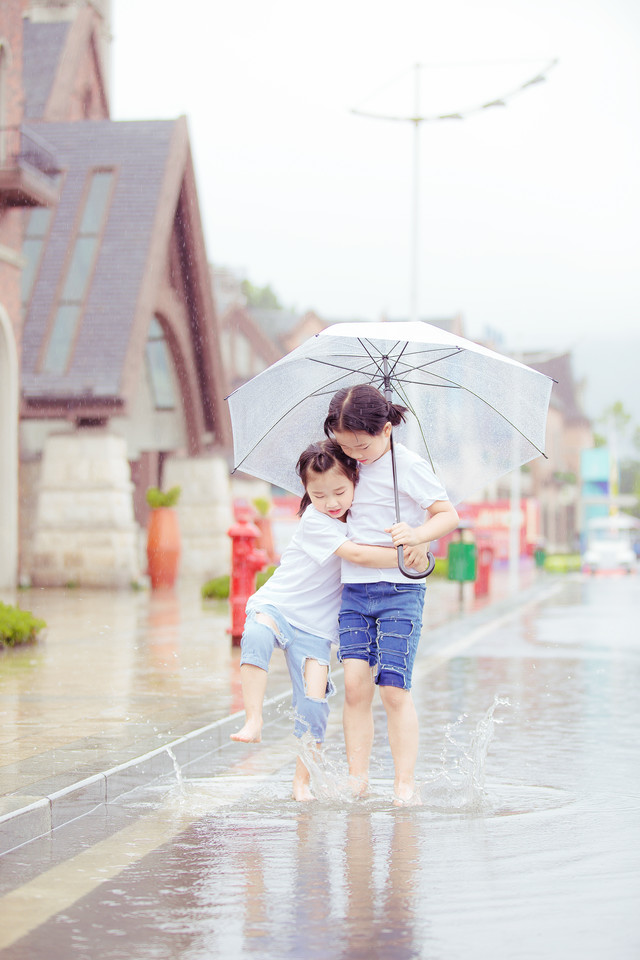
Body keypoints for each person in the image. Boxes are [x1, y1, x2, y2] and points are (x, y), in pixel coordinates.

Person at [230, 439, 429, 802]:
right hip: (279, 606)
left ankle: (301, 782)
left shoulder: (359, 517)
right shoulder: (314, 522)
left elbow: (384, 529)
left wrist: (418, 540)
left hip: (316, 630)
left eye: (339, 491)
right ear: (306, 493)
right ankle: (253, 718)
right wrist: (409, 557)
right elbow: (356, 555)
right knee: (256, 633)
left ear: (355, 481)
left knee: (313, 702)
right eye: (319, 495)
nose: (331, 503)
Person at [324, 384, 460, 805]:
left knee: (394, 688)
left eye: (361, 445)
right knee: (353, 686)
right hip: (354, 591)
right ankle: (357, 778)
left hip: (401, 591)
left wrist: (418, 535)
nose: (354, 453)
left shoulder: (409, 466)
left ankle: (404, 783)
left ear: (385, 430)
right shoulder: (343, 466)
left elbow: (448, 514)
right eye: (344, 444)